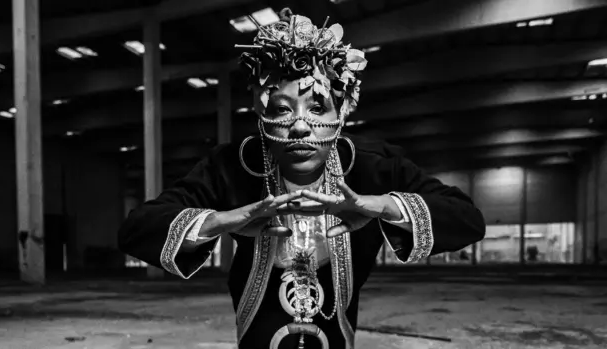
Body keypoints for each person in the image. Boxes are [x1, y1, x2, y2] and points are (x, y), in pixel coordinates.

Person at [118, 8, 486, 349]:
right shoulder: (234, 165)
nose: (299, 126)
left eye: (316, 107)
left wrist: (380, 206)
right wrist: (224, 220)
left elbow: (467, 218)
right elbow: (136, 229)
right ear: (261, 113)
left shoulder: (373, 167)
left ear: (343, 111)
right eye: (281, 109)